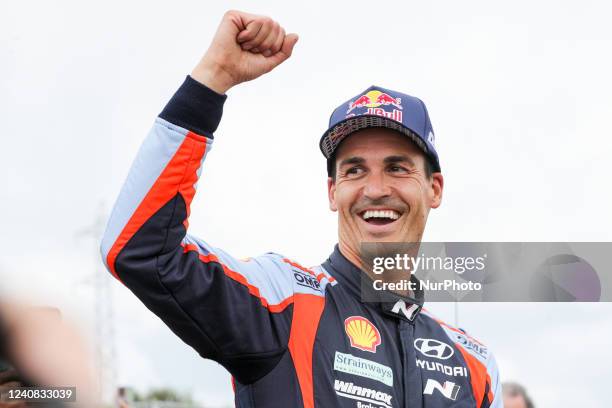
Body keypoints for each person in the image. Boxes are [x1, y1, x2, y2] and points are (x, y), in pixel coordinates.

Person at [101, 9, 502, 407]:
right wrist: (212, 79)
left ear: (434, 188)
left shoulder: (475, 365)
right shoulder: (284, 301)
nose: (375, 189)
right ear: (332, 191)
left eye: (396, 168)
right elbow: (139, 249)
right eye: (354, 170)